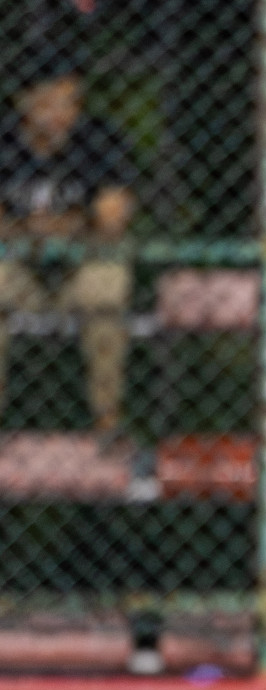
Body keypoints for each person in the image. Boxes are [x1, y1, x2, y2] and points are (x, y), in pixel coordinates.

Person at [0, 52, 136, 433]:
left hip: (80, 269)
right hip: (20, 272)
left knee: (108, 281)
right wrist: (31, 231)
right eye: (49, 103)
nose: (61, 115)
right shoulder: (5, 141)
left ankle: (107, 420)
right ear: (24, 103)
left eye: (70, 103)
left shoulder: (99, 140)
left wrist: (65, 227)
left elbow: (113, 217)